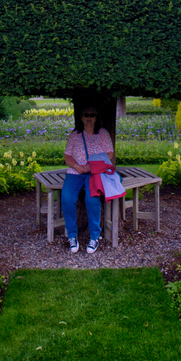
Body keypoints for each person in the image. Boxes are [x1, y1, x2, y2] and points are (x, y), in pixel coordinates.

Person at [62, 106, 115, 254]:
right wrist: (77, 166)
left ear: (96, 117)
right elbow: (67, 156)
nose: (89, 118)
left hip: (94, 172)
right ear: (81, 118)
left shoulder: (103, 133)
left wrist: (93, 165)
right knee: (67, 198)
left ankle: (94, 237)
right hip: (76, 171)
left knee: (92, 199)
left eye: (92, 115)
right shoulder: (75, 135)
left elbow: (110, 153)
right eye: (86, 115)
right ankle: (72, 236)